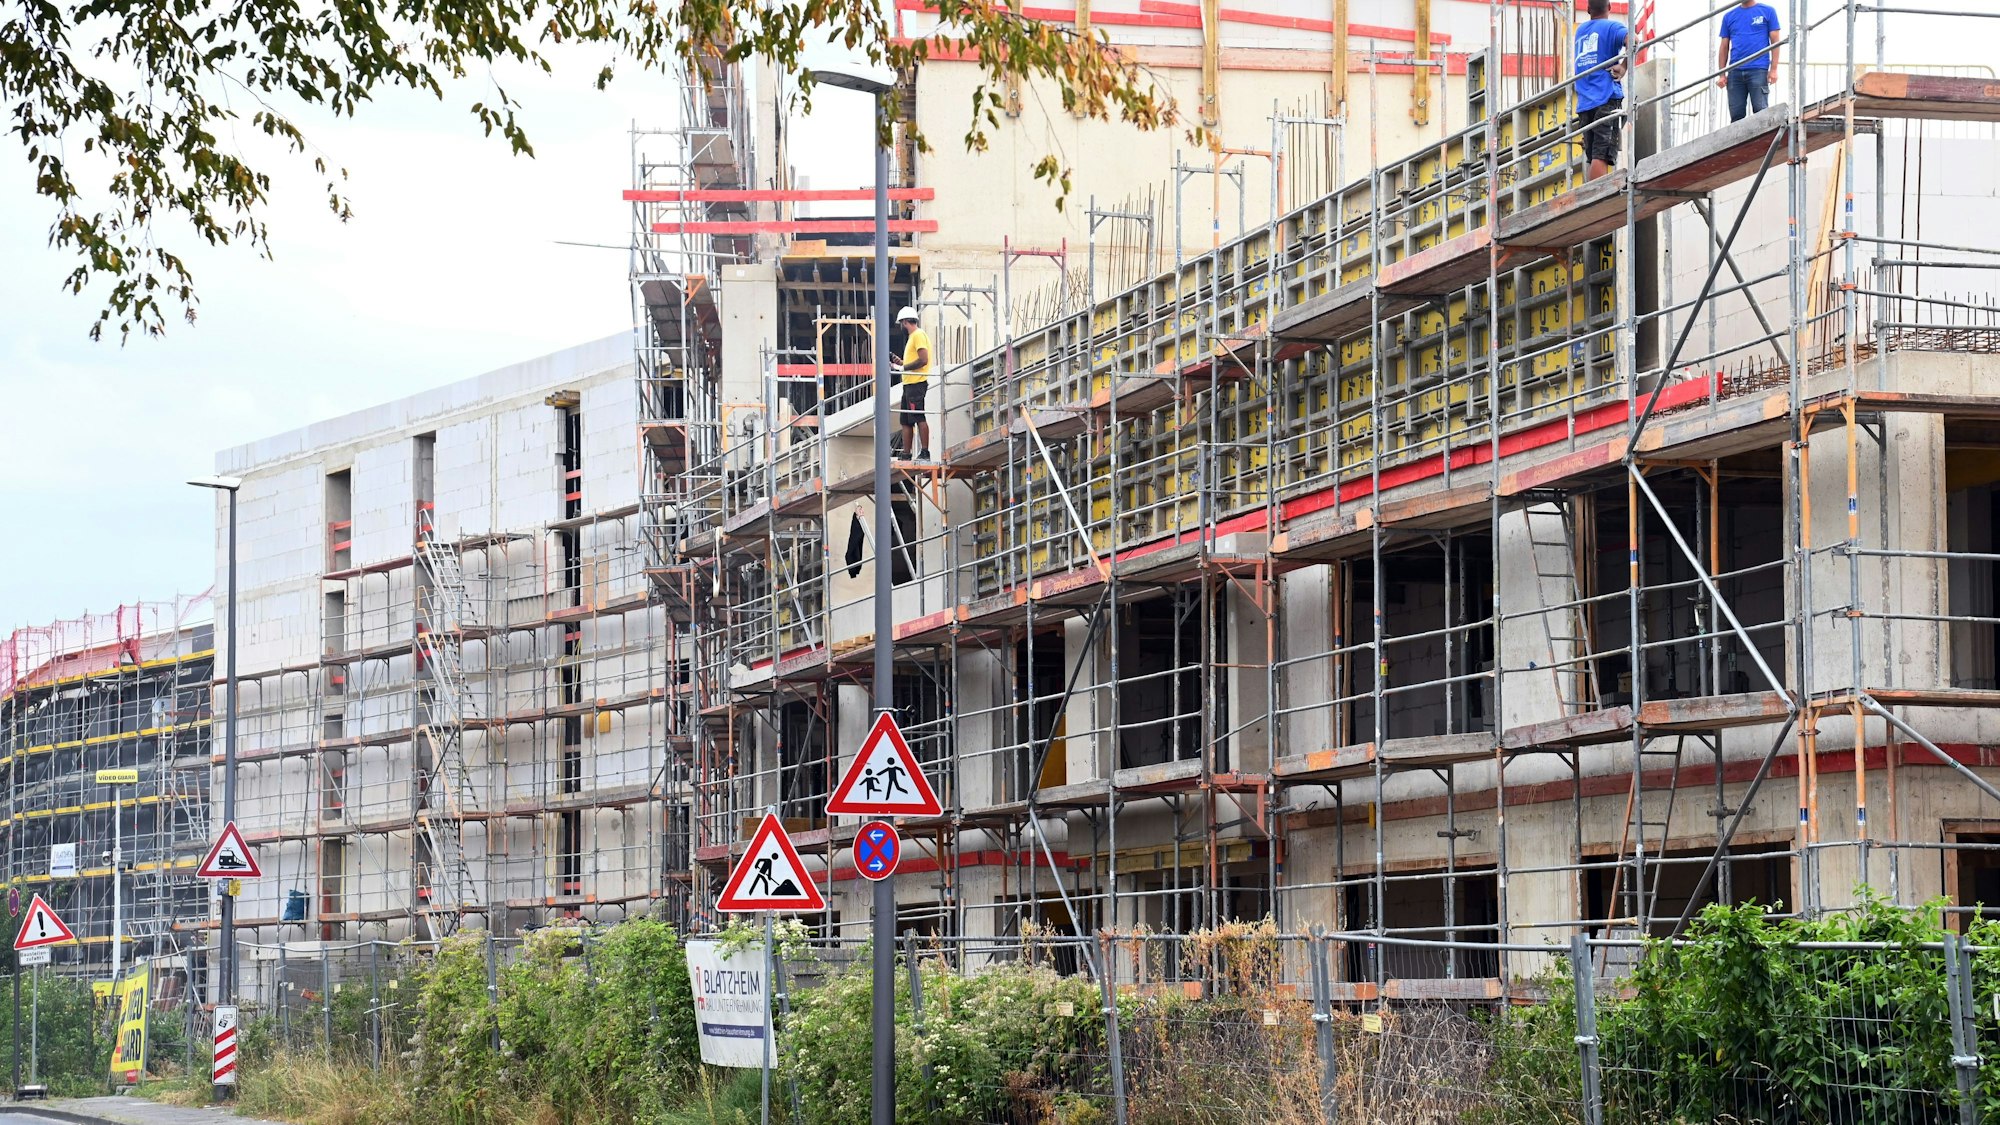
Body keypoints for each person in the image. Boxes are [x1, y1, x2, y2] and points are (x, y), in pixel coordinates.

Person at [1572, 0, 1629, 182]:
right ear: (1609, 7)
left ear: (1588, 9)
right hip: (1606, 97)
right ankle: (1597, 199)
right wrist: (1624, 66)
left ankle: (1592, 194)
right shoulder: (1612, 27)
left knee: (1593, 155)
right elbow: (1634, 41)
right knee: (1601, 155)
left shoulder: (1580, 31)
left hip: (1584, 103)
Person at [1717, 0, 1781, 122]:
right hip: (1735, 71)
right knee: (1736, 115)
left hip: (1758, 69)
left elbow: (1775, 43)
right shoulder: (1729, 16)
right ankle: (1738, 141)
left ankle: (1763, 141)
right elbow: (1724, 46)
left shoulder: (1768, 11)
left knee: (1760, 111)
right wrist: (1722, 74)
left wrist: (1773, 69)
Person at [889, 305, 933, 461]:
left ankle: (925, 452)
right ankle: (906, 454)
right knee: (906, 421)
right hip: (909, 385)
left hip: (916, 385)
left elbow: (923, 360)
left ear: (905, 322)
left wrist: (901, 367)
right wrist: (900, 363)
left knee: (918, 417)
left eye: (902, 323)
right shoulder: (913, 337)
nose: (901, 326)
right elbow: (913, 362)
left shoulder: (918, 335)